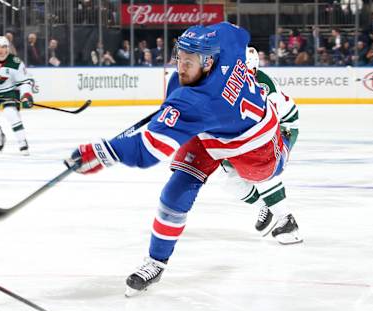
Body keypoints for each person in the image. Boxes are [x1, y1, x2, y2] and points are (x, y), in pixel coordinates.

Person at [64, 23, 299, 296]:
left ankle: (281, 199)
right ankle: (155, 263)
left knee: (253, 178)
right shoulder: (225, 42)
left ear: (209, 61)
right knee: (174, 192)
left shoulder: (200, 101)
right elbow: (238, 32)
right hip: (214, 133)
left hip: (256, 145)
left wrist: (103, 151)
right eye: (180, 57)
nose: (182, 66)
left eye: (190, 61)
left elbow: (146, 152)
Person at [219, 46, 300, 240]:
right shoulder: (232, 81)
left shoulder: (264, 88)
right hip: (257, 130)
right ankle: (267, 206)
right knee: (230, 181)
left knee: (260, 163)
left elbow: (263, 124)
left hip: (282, 127)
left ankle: (285, 219)